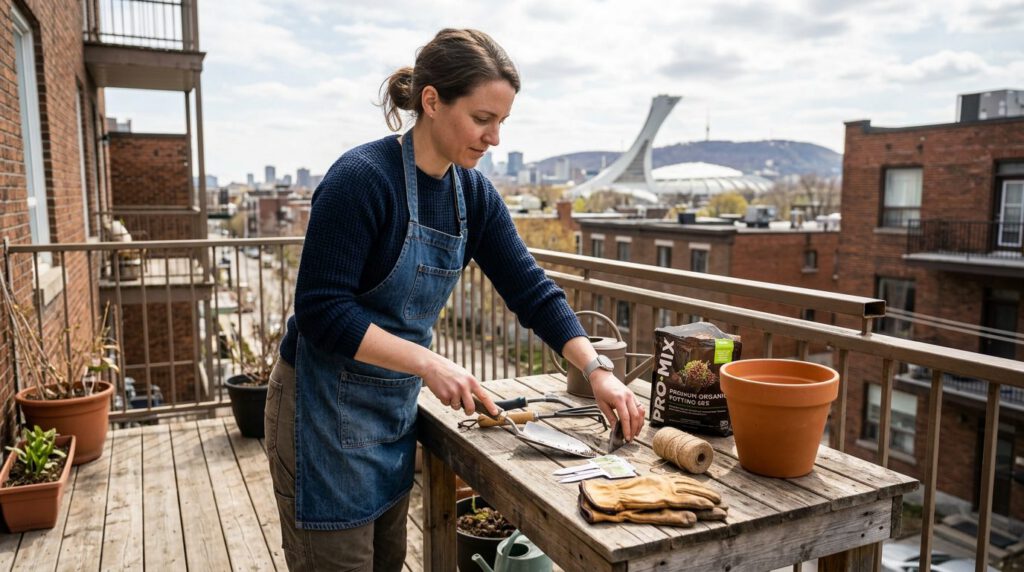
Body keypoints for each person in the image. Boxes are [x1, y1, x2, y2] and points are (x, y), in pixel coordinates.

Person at [264, 28, 645, 572]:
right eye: (482, 118)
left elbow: (530, 288)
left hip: (390, 413)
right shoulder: (361, 180)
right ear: (432, 101)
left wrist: (596, 367)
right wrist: (429, 363)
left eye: (502, 123)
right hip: (321, 414)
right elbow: (323, 312)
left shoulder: (473, 194)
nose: (494, 139)